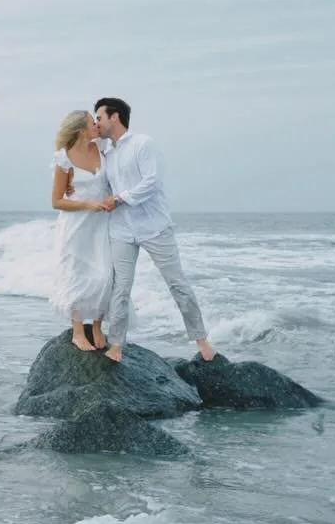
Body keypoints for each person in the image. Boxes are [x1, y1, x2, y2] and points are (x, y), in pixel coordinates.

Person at [95, 97, 217, 364]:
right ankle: (116, 344)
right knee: (120, 288)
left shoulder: (143, 144)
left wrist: (120, 198)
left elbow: (152, 180)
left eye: (100, 117)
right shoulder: (106, 152)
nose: (97, 123)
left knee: (177, 284)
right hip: (121, 230)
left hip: (154, 226)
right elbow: (103, 186)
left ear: (115, 117)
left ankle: (201, 340)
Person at [49, 110, 116, 352]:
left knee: (105, 274)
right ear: (81, 130)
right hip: (76, 226)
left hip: (102, 223)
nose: (97, 125)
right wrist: (88, 204)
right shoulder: (63, 159)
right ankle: (78, 331)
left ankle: (97, 325)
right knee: (76, 274)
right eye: (92, 122)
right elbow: (56, 201)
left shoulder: (102, 147)